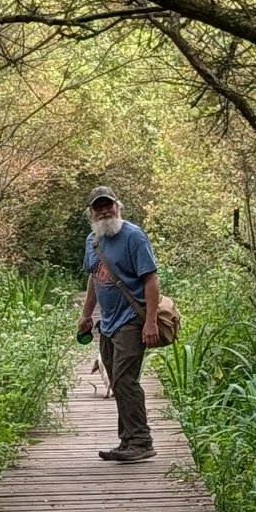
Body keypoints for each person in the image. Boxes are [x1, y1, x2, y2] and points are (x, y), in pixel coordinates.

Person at [76, 189, 159, 462]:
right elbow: (93, 280)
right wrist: (87, 315)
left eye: (108, 206)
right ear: (91, 213)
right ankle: (128, 441)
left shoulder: (134, 237)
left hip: (131, 320)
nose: (104, 211)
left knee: (125, 380)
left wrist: (150, 322)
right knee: (117, 380)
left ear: (117, 207)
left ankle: (141, 441)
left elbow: (151, 280)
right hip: (107, 323)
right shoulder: (93, 240)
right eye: (98, 208)